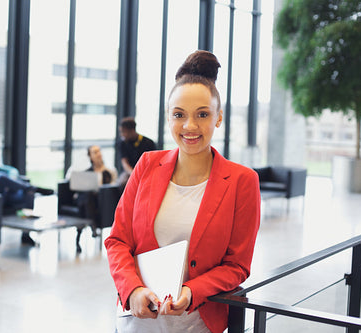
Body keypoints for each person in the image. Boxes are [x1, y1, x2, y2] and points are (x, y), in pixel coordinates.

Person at [104, 50, 261, 333]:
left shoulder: (242, 181)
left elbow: (237, 265)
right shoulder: (147, 165)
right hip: (137, 320)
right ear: (169, 117)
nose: (190, 126)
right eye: (179, 115)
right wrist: (132, 289)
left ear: (218, 118)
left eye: (202, 114)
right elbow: (117, 240)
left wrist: (192, 290)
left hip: (196, 322)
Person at [117, 117, 156, 185]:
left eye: (123, 132)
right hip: (130, 172)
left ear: (131, 130)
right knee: (122, 182)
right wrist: (133, 174)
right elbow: (125, 163)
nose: (122, 134)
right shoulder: (122, 143)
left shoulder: (148, 142)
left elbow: (152, 162)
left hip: (145, 172)